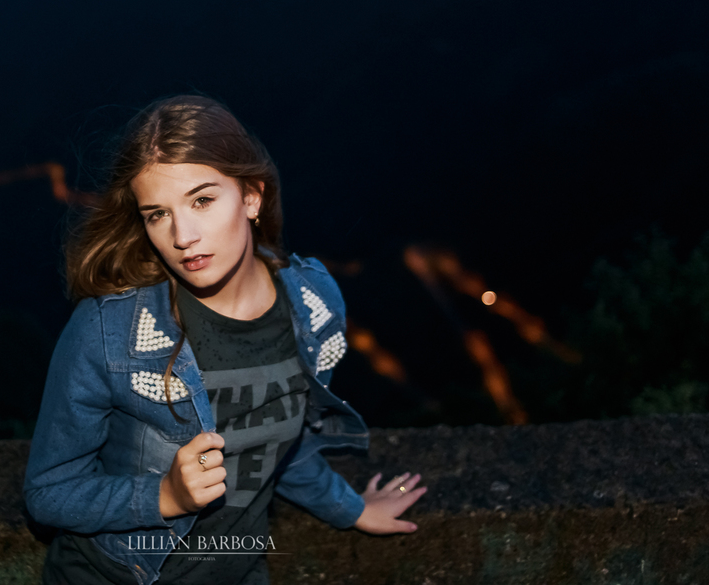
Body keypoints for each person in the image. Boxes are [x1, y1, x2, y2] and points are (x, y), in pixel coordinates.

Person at [24, 95, 427, 585]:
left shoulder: (313, 306)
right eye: (157, 214)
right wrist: (164, 497)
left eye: (202, 199)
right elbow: (48, 493)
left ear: (252, 197)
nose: (183, 235)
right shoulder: (108, 331)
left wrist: (351, 508)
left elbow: (285, 438)